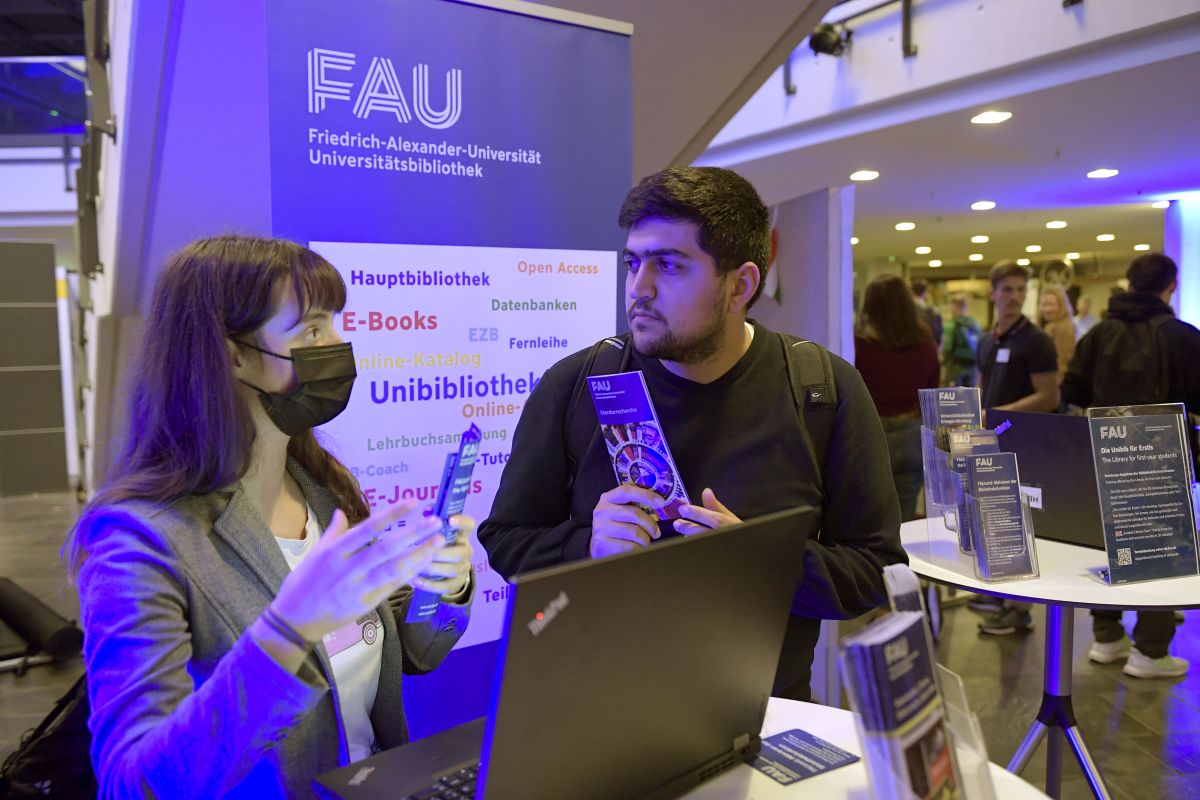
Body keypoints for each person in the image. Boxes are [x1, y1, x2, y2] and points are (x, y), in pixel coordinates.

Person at [65, 235, 475, 798]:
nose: (338, 343)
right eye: (311, 330)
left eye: (334, 322)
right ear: (233, 355)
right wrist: (287, 632)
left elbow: (408, 653)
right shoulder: (139, 539)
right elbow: (131, 782)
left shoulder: (323, 486)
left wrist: (442, 588)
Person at [478, 167, 906, 702]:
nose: (639, 288)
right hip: (598, 707)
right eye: (633, 263)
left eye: (670, 266)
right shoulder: (577, 385)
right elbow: (506, 539)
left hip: (765, 711)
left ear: (740, 286)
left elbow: (876, 569)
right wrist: (588, 544)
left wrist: (756, 561)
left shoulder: (823, 390)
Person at [1062, 252, 1200, 678]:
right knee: (1161, 545)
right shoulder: (1184, 336)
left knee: (1107, 541)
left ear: (1129, 282)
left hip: (1103, 454)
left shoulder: (1099, 334)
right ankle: (1151, 652)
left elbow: (1073, 390)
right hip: (1165, 458)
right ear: (1171, 286)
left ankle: (1106, 638)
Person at [972, 261, 1059, 635]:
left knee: (1019, 522)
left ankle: (1019, 609)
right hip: (992, 437)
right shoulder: (989, 338)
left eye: (1021, 290)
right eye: (1007, 289)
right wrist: (974, 413)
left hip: (1021, 440)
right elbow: (982, 382)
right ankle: (1002, 593)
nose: (1015, 297)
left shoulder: (1036, 340)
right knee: (993, 516)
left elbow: (1049, 396)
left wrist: (998, 414)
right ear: (993, 292)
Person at [855, 274, 941, 522]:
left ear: (870, 306)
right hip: (913, 434)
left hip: (872, 434)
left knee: (868, 516)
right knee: (903, 518)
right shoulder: (925, 343)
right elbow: (931, 390)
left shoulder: (860, 344)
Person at [1037, 285, 1077, 379]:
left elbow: (1062, 364)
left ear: (1061, 306)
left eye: (1051, 304)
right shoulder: (1049, 325)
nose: (1047, 309)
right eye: (1044, 304)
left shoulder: (1063, 328)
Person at [942, 294, 981, 387]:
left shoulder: (950, 325)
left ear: (955, 306)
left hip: (955, 367)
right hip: (972, 367)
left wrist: (943, 359)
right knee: (970, 397)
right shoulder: (974, 323)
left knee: (953, 397)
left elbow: (947, 347)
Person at [911, 279, 944, 348]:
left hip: (910, 348)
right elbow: (938, 334)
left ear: (911, 292)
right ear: (925, 293)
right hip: (927, 347)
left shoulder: (906, 310)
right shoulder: (933, 311)